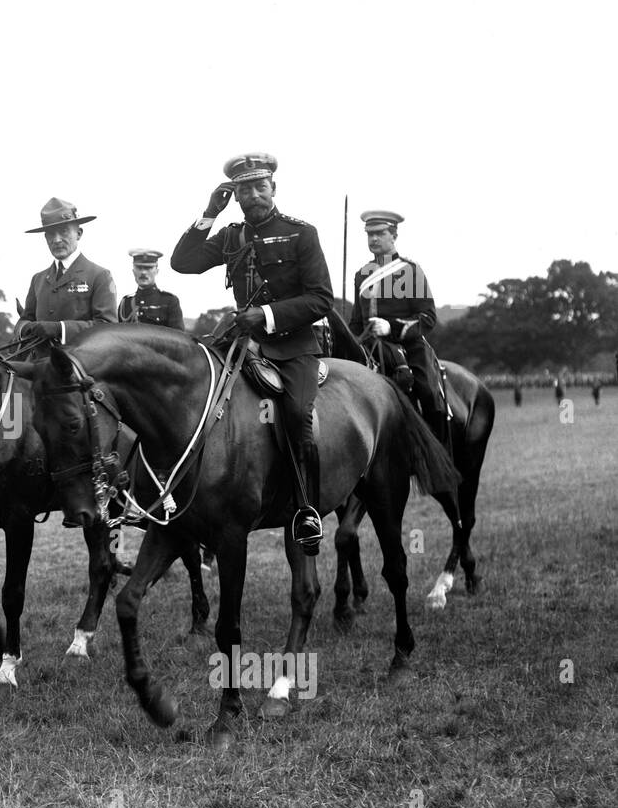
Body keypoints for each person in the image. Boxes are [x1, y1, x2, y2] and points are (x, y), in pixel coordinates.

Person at [171, 153, 333, 553]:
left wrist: (266, 314)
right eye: (244, 189)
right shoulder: (230, 237)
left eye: (260, 186)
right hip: (239, 344)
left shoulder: (301, 233)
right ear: (236, 194)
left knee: (297, 414)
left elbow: (321, 299)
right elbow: (182, 263)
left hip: (292, 346)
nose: (253, 194)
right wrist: (209, 212)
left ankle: (305, 508)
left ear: (273, 188)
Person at [349, 210, 448, 445]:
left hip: (408, 345)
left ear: (394, 235)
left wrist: (391, 327)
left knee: (428, 394)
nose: (373, 239)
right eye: (369, 234)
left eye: (379, 233)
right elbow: (355, 321)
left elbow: (427, 317)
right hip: (370, 346)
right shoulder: (362, 274)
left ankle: (438, 452)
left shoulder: (411, 271)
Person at [17, 197, 117, 348]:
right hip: (38, 365)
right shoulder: (38, 279)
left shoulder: (99, 276)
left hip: (80, 367)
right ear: (45, 238)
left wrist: (60, 329)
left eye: (64, 231)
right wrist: (25, 328)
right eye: (50, 233)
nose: (57, 240)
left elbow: (107, 327)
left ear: (79, 233)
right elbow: (24, 319)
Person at [118, 250, 186, 330]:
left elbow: (178, 337)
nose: (143, 272)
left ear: (156, 271)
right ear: (133, 271)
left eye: (148, 268)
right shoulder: (126, 302)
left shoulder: (169, 301)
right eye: (139, 268)